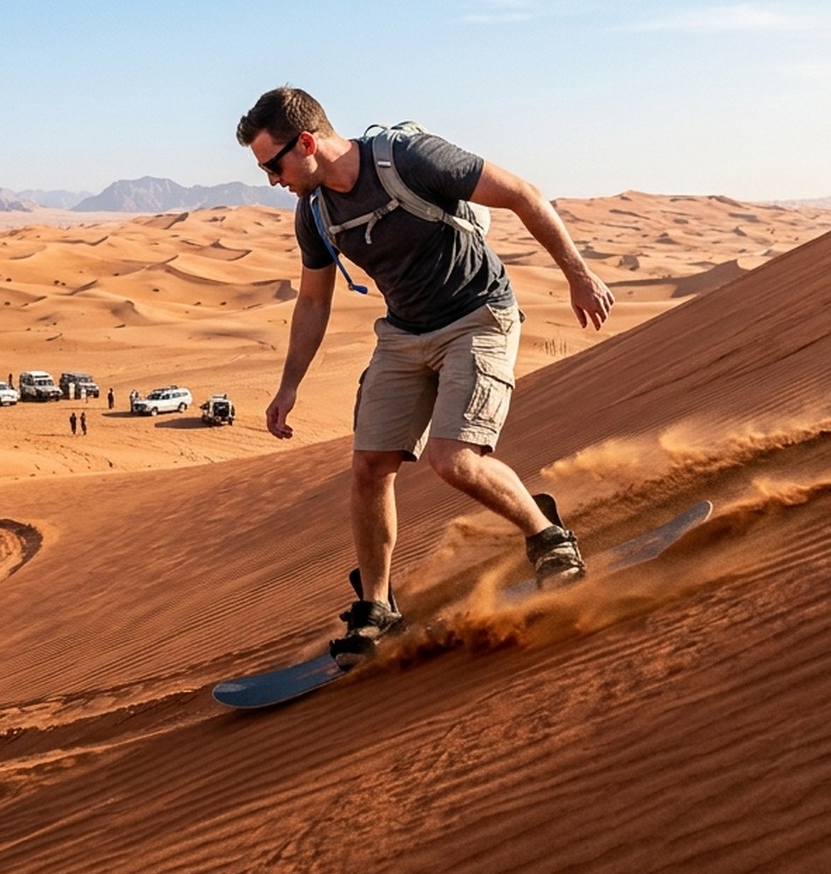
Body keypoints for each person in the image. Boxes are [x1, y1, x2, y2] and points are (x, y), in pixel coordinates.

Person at [237, 86, 615, 667]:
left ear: (307, 143)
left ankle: (549, 539)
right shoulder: (314, 212)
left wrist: (579, 275)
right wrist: (289, 385)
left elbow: (522, 194)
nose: (271, 180)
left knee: (453, 458)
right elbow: (313, 302)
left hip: (477, 317)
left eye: (274, 166)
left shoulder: (408, 159)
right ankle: (378, 608)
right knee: (369, 466)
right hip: (404, 332)